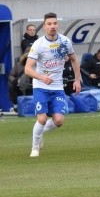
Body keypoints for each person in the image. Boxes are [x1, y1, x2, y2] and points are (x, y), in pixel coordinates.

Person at [25, 12, 81, 157]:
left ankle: (40, 131)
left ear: (58, 25)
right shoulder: (38, 44)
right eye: (49, 24)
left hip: (57, 87)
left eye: (54, 23)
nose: (52, 26)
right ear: (44, 27)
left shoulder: (65, 41)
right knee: (42, 119)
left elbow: (74, 59)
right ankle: (35, 148)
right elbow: (28, 69)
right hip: (40, 87)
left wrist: (77, 80)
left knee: (59, 120)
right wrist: (41, 77)